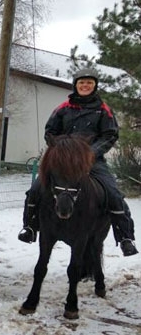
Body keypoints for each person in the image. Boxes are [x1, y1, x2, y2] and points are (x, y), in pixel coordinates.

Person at [18, 68, 138, 257]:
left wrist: (90, 153)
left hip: (92, 161)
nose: (85, 85)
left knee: (114, 193)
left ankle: (125, 237)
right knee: (35, 189)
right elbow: (50, 131)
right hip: (63, 160)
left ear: (94, 86)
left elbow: (110, 135)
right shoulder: (63, 108)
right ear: (76, 85)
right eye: (82, 82)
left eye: (89, 83)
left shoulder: (103, 109)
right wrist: (61, 148)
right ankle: (30, 227)